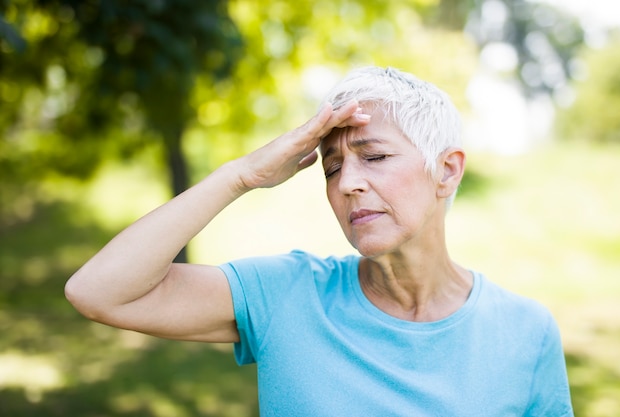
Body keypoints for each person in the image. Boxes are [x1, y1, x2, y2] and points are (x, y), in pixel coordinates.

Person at [65, 66, 574, 416]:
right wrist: (241, 175)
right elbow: (99, 291)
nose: (347, 182)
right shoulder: (286, 294)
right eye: (332, 167)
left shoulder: (526, 333)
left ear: (445, 170)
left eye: (373, 157)